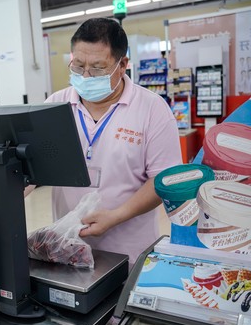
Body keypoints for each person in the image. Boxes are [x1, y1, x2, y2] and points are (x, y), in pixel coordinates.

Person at [38, 18, 181, 266]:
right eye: (78, 66)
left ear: (122, 64)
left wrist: (115, 216)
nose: (85, 76)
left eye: (97, 68)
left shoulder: (152, 109)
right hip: (66, 248)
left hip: (129, 253)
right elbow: (35, 163)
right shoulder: (55, 105)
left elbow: (163, 179)